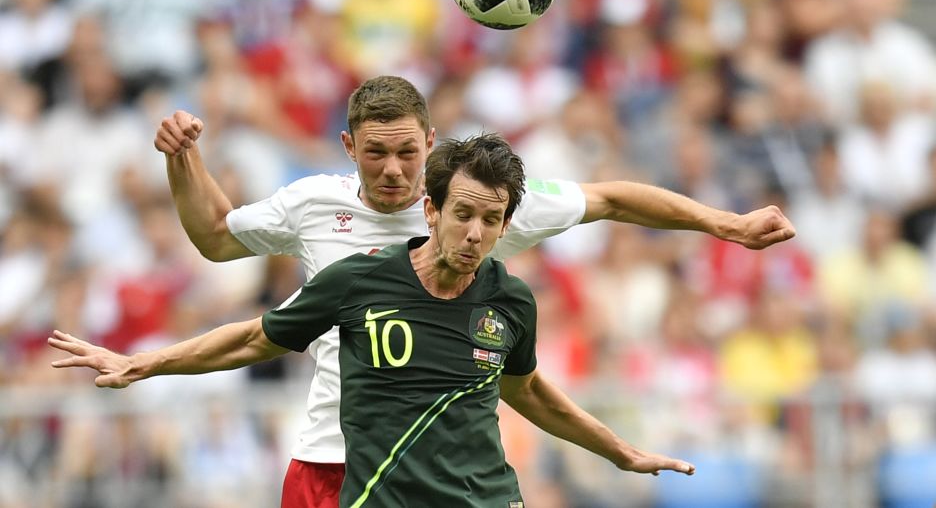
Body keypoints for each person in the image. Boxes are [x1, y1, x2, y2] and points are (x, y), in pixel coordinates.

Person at [153, 75, 794, 507]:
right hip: (332, 459)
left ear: (430, 143)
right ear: (349, 147)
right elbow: (214, 235)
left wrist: (724, 223)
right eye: (375, 153)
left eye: (407, 151)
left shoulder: (475, 207)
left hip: (445, 471)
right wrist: (185, 159)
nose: (394, 169)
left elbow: (611, 198)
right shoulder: (312, 203)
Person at [49, 134, 696, 507]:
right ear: (431, 210)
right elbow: (253, 334)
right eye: (462, 215)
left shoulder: (511, 299)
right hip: (371, 488)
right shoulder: (356, 280)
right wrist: (142, 363)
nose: (474, 234)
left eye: (491, 221)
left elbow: (527, 393)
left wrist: (617, 450)